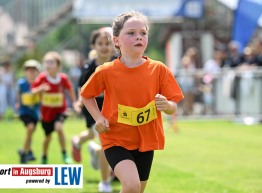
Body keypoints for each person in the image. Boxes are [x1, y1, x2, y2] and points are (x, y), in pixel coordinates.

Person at [80, 11, 184, 193]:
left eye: (143, 33)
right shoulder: (106, 71)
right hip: (115, 139)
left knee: (135, 191)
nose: (138, 37)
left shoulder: (159, 70)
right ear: (117, 41)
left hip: (145, 141)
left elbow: (173, 105)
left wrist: (166, 105)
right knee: (132, 186)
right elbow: (86, 94)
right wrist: (98, 117)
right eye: (131, 33)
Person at [72, 28, 115, 192]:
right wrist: (78, 103)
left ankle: (95, 151)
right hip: (94, 110)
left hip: (114, 109)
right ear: (93, 46)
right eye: (100, 44)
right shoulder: (89, 68)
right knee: (106, 144)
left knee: (112, 145)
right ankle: (105, 183)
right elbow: (81, 89)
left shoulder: (119, 63)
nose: (104, 47)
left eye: (107, 43)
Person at [31, 51, 77, 164]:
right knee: (48, 137)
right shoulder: (42, 78)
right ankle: (44, 156)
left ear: (58, 66)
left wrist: (74, 102)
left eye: (51, 62)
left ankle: (65, 154)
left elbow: (70, 89)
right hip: (46, 113)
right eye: (46, 62)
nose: (48, 64)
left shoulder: (62, 78)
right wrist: (40, 89)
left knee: (59, 127)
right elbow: (33, 91)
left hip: (60, 111)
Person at [16, 59, 41, 164]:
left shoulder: (40, 83)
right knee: (30, 128)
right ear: (25, 72)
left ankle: (24, 150)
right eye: (28, 70)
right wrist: (17, 103)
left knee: (30, 132)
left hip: (35, 114)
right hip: (24, 112)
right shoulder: (22, 83)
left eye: (33, 70)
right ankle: (25, 154)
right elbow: (19, 95)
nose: (31, 72)